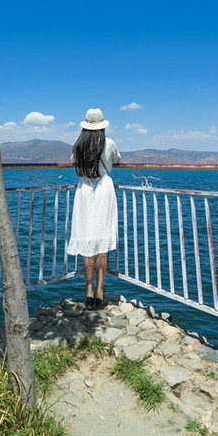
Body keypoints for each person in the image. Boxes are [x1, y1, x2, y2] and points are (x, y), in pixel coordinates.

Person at [67, 108, 120, 309]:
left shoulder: (78, 145)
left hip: (85, 191)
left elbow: (73, 160)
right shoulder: (109, 143)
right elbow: (116, 159)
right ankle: (99, 292)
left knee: (87, 240)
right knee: (102, 242)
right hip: (103, 189)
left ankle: (88, 292)